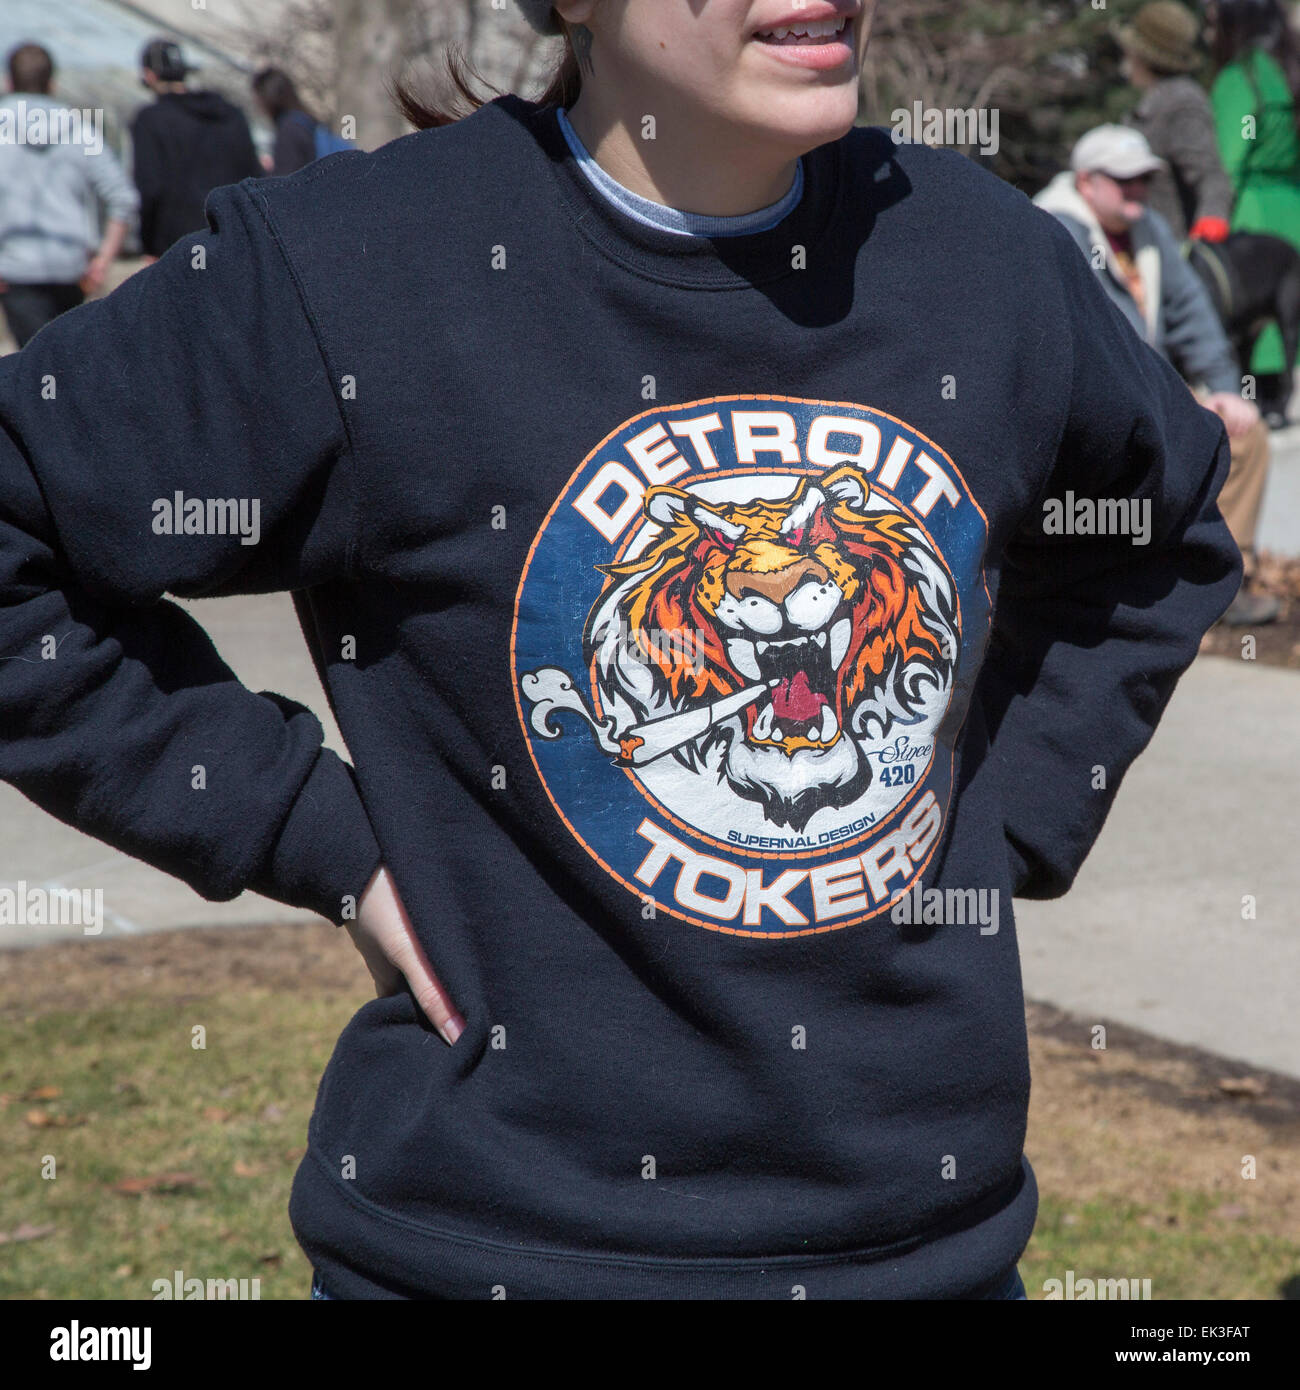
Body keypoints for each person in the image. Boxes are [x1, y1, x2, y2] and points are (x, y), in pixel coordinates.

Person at [0, 0, 1243, 1301]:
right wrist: (321, 840)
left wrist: (1006, 817)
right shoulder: (351, 266)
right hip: (495, 1249)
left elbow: (1162, 531)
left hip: (926, 1252)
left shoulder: (988, 259)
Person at [1035, 125, 1277, 626]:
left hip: (1153, 390)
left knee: (1246, 435)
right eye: (1125, 180)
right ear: (1086, 182)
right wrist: (1179, 407)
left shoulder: (1147, 228)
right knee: (1179, 448)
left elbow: (1192, 311)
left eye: (1143, 178)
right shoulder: (1054, 230)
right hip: (1089, 407)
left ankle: (1222, 581)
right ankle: (1158, 588)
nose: (1137, 190)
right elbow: (1096, 348)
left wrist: (1228, 392)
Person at [0, 43, 138, 348]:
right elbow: (123, 198)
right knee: (68, 362)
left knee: (31, 364)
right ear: (52, 84)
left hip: (14, 268)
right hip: (72, 268)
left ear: (8, 82)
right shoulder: (80, 130)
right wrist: (102, 260)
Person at [1206, 0, 1300, 398]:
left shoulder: (1239, 80)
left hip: (1253, 215)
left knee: (1258, 345)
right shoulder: (1289, 72)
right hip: (1292, 208)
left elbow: (1227, 162)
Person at [130, 37, 262, 261]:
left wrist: (149, 245)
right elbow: (255, 175)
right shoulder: (230, 114)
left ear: (149, 75)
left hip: (179, 249)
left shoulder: (150, 120)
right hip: (237, 241)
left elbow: (151, 187)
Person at [1119, 1, 1235, 241]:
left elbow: (1211, 177)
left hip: (1171, 251)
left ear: (1141, 54)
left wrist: (1205, 239)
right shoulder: (1157, 99)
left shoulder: (1181, 101)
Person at [251, 67, 329, 176]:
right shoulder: (306, 120)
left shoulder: (288, 130)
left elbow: (283, 181)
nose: (257, 105)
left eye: (258, 99)